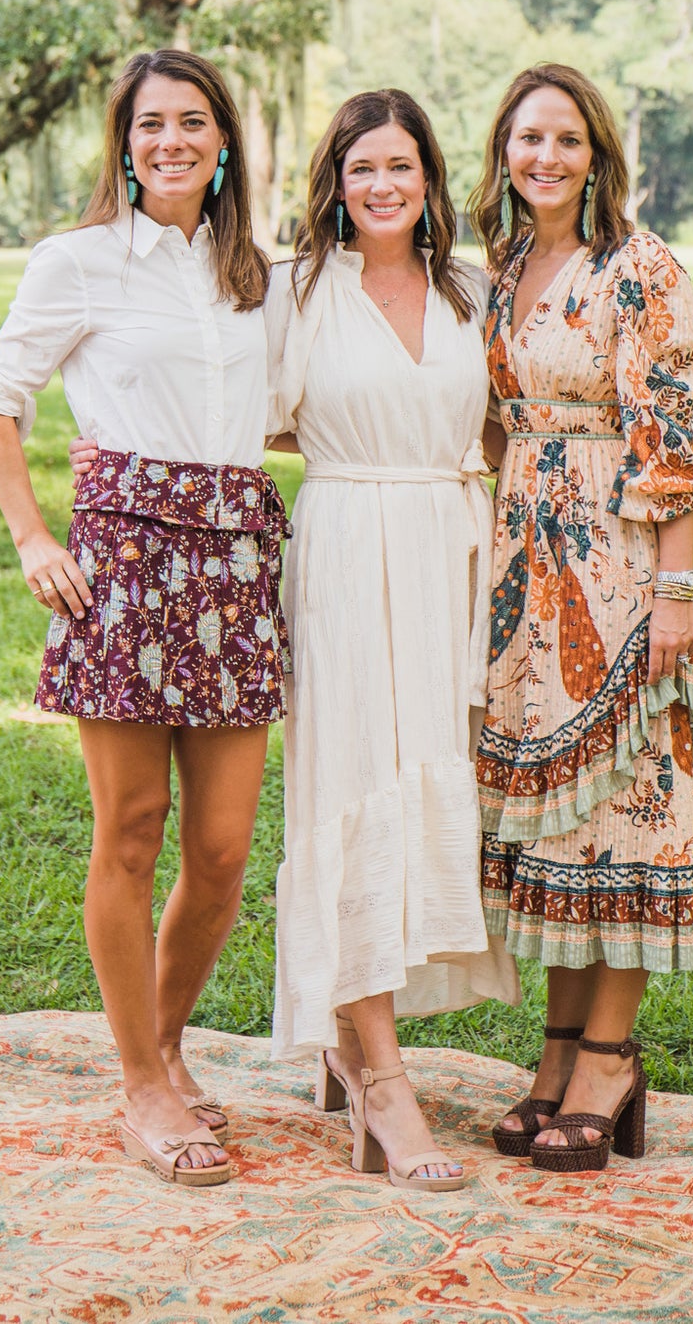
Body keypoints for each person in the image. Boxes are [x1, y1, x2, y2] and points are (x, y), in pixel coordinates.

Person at [0, 47, 285, 1191]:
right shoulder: (80, 262)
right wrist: (33, 539)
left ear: (224, 139)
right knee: (135, 827)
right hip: (124, 565)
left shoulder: (263, 273)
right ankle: (143, 1084)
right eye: (151, 124)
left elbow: (279, 412)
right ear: (123, 140)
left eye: (193, 122)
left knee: (224, 847)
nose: (172, 142)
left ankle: (167, 1040)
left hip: (238, 560)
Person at [469, 63, 693, 1173]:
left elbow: (674, 435)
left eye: (566, 139)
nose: (546, 158)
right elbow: (483, 423)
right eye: (528, 139)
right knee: (556, 830)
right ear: (504, 151)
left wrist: (675, 591)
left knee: (623, 811)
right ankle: (558, 1057)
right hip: (522, 572)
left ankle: (611, 1058)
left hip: (616, 570)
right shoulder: (502, 268)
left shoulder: (639, 269)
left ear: (597, 151)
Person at [268, 89, 518, 1189]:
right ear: (335, 179)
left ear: (429, 183)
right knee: (350, 789)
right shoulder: (296, 292)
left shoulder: (469, 290)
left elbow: (510, 422)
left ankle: (347, 1034)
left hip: (452, 552)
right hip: (345, 542)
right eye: (363, 167)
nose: (382, 186)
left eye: (402, 169)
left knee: (436, 782)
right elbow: (242, 416)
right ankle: (378, 1080)